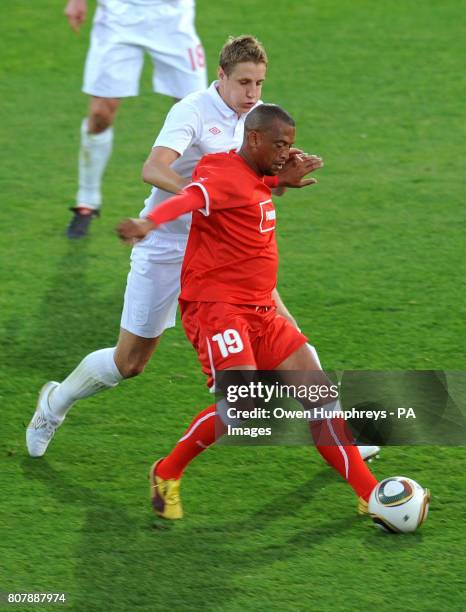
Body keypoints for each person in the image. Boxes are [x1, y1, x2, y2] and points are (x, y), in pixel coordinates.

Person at [26, 35, 378, 462]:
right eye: (244, 82)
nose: (252, 93)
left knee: (289, 335)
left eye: (260, 83)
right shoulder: (192, 111)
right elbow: (152, 168)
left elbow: (251, 189)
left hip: (225, 255)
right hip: (167, 247)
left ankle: (342, 435)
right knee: (130, 362)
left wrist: (278, 180)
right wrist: (205, 194)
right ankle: (54, 405)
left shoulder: (259, 120)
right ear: (221, 76)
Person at [116, 104, 379, 520]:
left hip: (261, 312)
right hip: (220, 311)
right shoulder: (220, 171)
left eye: (290, 145)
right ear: (253, 138)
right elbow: (190, 198)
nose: (285, 152)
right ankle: (166, 472)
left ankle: (372, 494)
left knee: (321, 399)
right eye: (279, 145)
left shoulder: (255, 177)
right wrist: (149, 222)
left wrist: (280, 179)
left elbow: (247, 189)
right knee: (242, 411)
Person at [64, 0, 208, 238]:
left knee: (196, 111)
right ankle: (87, 201)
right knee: (100, 115)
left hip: (172, 16)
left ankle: (203, 198)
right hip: (118, 14)